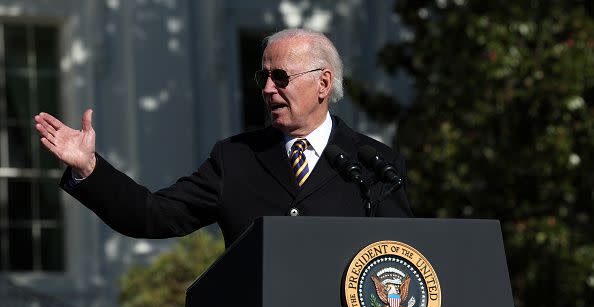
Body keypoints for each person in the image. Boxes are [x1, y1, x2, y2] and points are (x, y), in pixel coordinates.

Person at [34, 28, 412, 247]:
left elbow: (402, 259)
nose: (267, 89)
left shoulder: (373, 163)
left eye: (280, 77)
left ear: (323, 83)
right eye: (262, 77)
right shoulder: (235, 158)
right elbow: (155, 216)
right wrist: (90, 168)